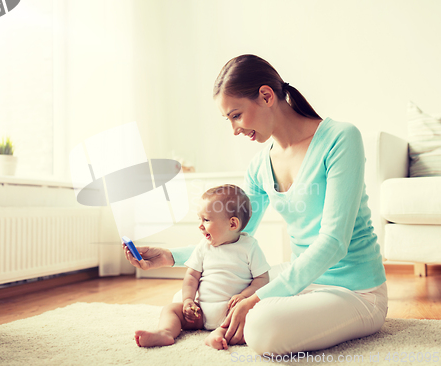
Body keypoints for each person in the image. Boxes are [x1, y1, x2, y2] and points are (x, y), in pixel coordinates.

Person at [124, 54, 388, 356]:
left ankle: (254, 319)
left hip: (355, 291)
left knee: (262, 326)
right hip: (301, 282)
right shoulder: (261, 164)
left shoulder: (341, 138)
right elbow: (231, 230)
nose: (234, 129)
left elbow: (334, 243)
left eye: (236, 115)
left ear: (266, 96)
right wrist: (169, 256)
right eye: (229, 120)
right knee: (199, 295)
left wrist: (258, 299)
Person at [133, 184, 270, 350]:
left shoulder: (249, 247)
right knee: (171, 309)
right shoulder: (204, 246)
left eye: (206, 219)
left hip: (232, 311)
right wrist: (188, 301)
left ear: (232, 224)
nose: (200, 225)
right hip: (201, 312)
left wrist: (244, 296)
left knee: (254, 318)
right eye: (200, 219)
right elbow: (191, 276)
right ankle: (166, 332)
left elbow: (262, 279)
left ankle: (220, 333)